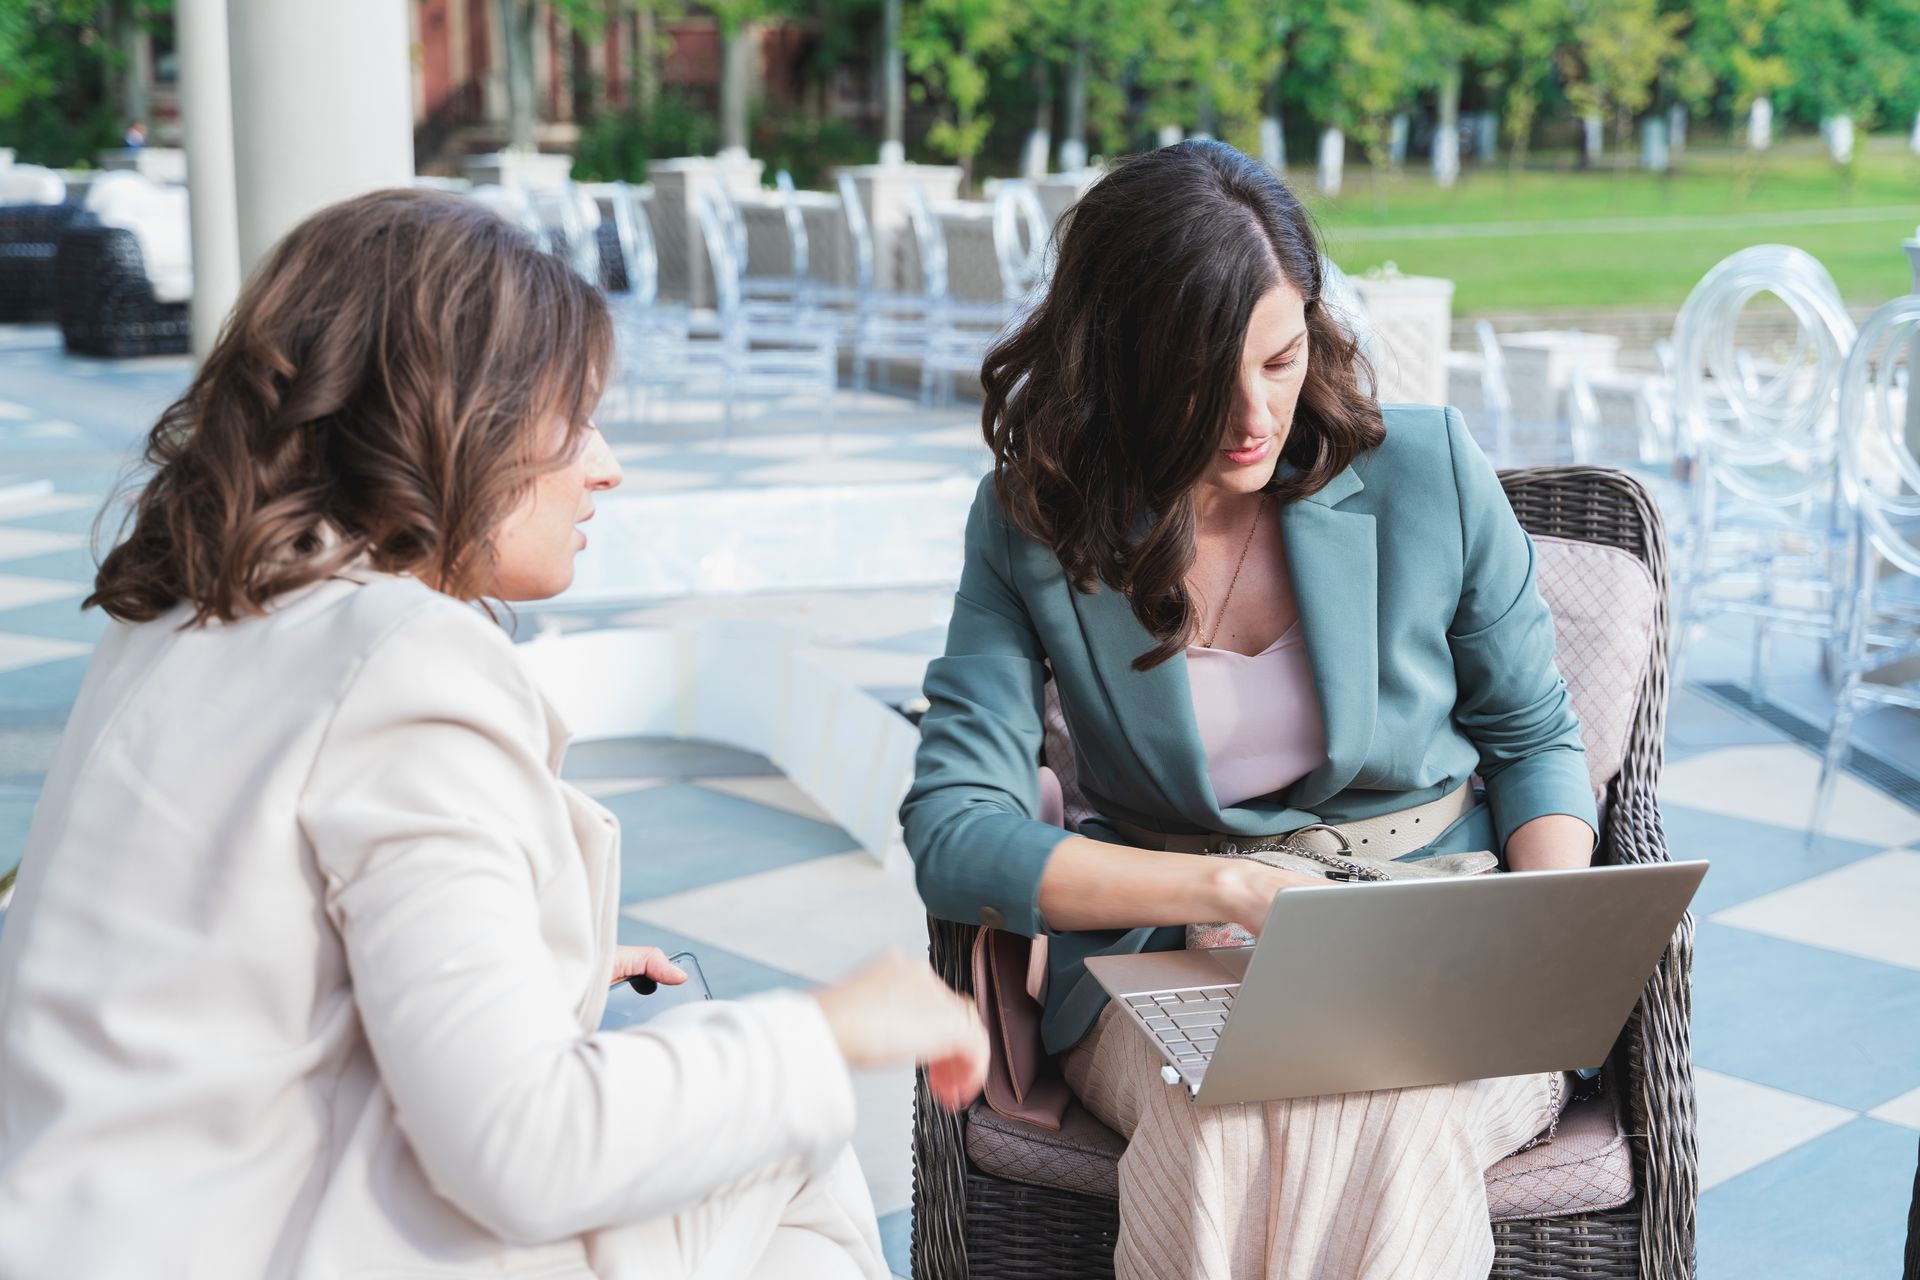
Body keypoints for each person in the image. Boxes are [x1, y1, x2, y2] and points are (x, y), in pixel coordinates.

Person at [0, 188, 987, 1279]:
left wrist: (522, 962)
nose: (605, 466)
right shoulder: (400, 659)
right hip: (258, 1232)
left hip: (98, 1220)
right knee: (790, 1132)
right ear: (451, 421)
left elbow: (236, 961)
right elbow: (528, 1147)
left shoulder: (189, 607)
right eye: (575, 420)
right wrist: (837, 1025)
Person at [901, 140, 1598, 1280]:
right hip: (1161, 958)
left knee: (1386, 1107)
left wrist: (1545, 936)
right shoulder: (1035, 521)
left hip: (1436, 939)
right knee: (1234, 1109)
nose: (1251, 413)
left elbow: (1535, 740)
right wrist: (1220, 886)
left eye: (1280, 360)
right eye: (1197, 376)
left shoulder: (1430, 470)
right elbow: (955, 830)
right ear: (1113, 364)